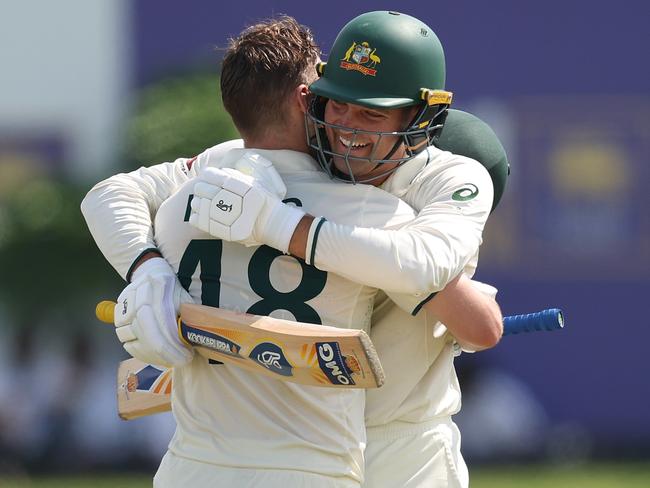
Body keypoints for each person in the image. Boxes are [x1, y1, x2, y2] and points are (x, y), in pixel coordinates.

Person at [81, 12, 505, 487]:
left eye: (372, 112)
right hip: (316, 444)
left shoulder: (443, 181)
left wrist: (275, 221)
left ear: (420, 118)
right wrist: (148, 270)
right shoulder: (241, 165)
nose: (346, 126)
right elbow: (110, 194)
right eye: (338, 104)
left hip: (401, 442)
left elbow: (429, 273)